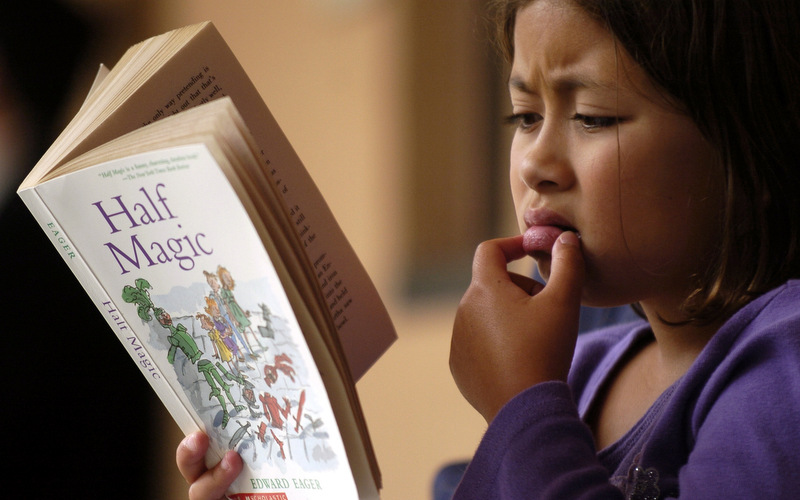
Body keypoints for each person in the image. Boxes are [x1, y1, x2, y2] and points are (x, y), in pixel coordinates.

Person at [176, 0, 800, 498]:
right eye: (525, 116)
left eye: (593, 117)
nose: (535, 163)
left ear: (751, 148)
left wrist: (521, 403)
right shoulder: (580, 370)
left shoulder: (784, 369)